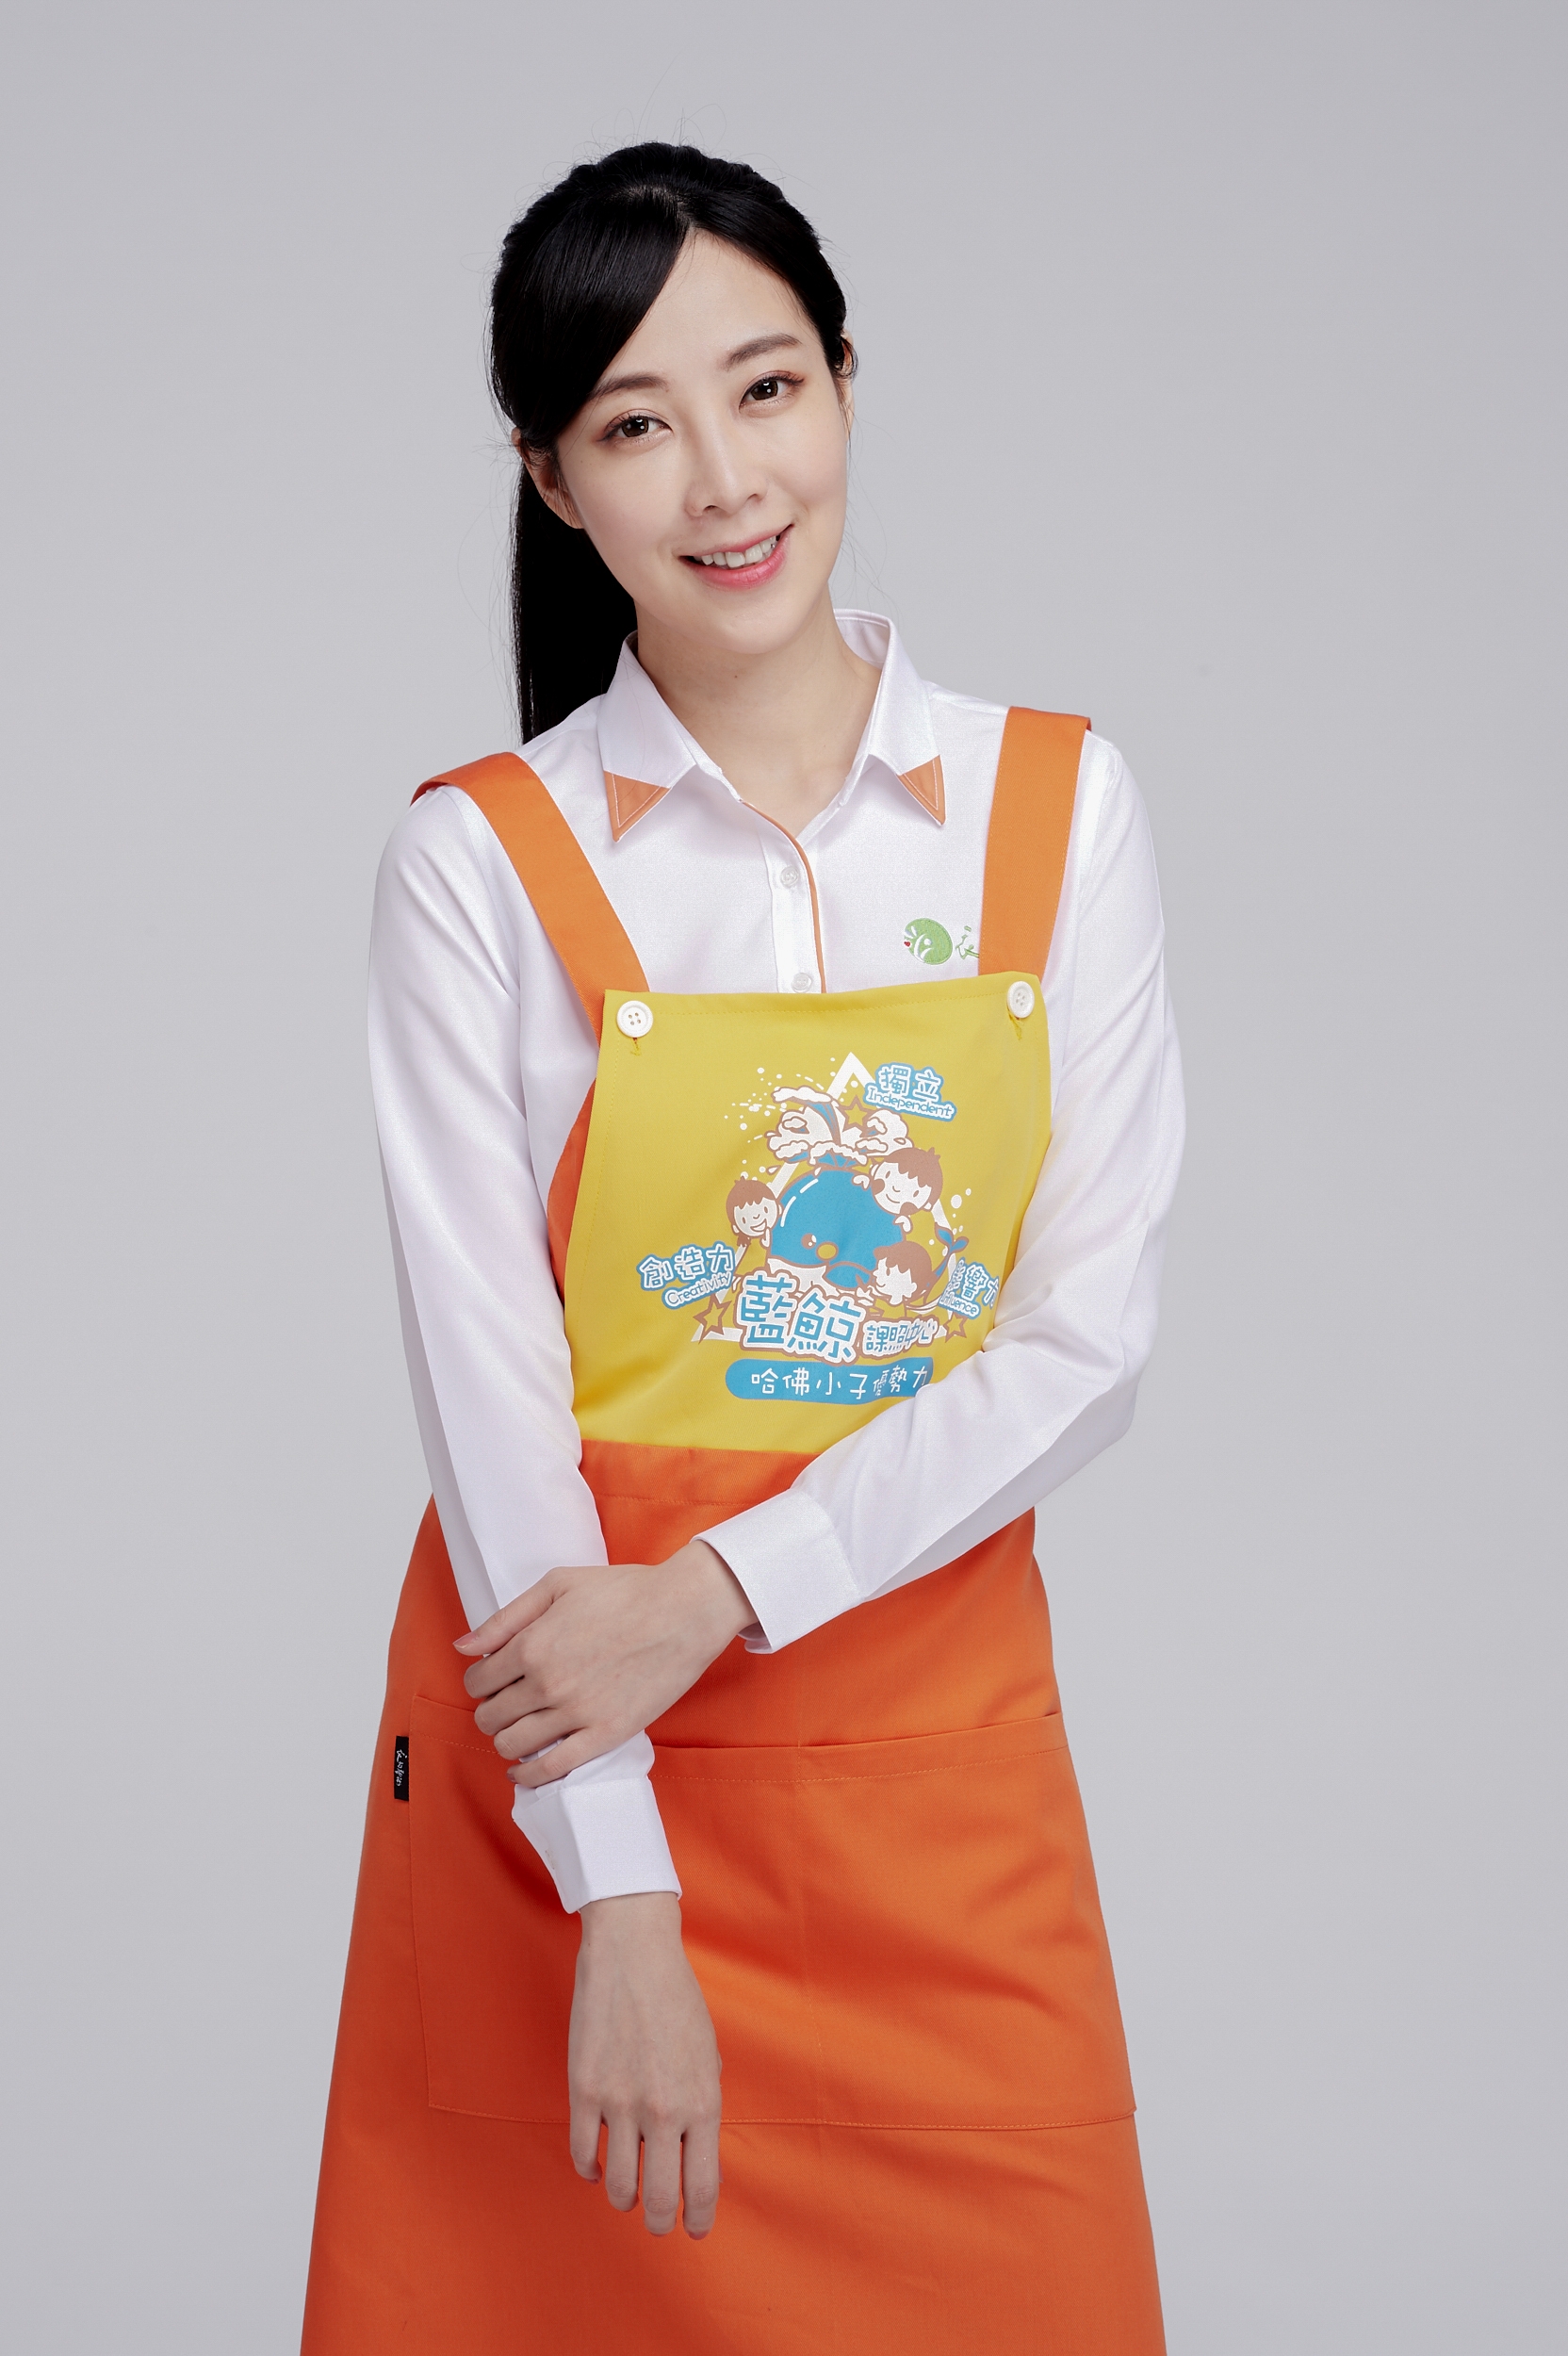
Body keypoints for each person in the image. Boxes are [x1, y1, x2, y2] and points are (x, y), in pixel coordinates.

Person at [302, 141, 1184, 2356]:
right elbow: (491, 1407)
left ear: (848, 385)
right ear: (551, 478)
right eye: (635, 422)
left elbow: (1084, 1335)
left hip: (930, 1774)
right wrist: (616, 1887)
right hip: (569, 1783)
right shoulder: (479, 865)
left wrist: (715, 1590)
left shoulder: (1053, 811)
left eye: (766, 387)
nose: (723, 478)